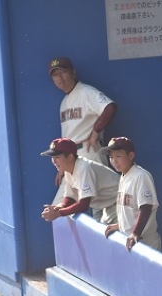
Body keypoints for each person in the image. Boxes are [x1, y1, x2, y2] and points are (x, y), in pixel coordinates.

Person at [48, 56, 117, 204]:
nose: (59, 78)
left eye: (63, 72)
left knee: (96, 205)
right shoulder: (64, 102)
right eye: (55, 75)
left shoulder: (86, 92)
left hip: (88, 152)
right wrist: (62, 164)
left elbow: (110, 107)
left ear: (73, 72)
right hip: (72, 157)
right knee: (64, 207)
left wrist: (96, 131)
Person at [40, 138, 119, 224]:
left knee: (113, 231)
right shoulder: (68, 169)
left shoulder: (84, 168)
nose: (54, 161)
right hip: (105, 206)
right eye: (52, 157)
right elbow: (70, 197)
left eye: (57, 157)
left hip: (120, 202)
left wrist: (58, 213)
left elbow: (83, 204)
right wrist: (58, 207)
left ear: (70, 157)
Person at [102, 137, 161, 251]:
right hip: (130, 240)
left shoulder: (141, 176)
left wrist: (135, 233)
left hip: (145, 242)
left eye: (118, 156)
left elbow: (146, 208)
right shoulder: (124, 175)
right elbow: (130, 211)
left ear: (131, 155)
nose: (114, 161)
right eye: (111, 157)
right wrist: (119, 225)